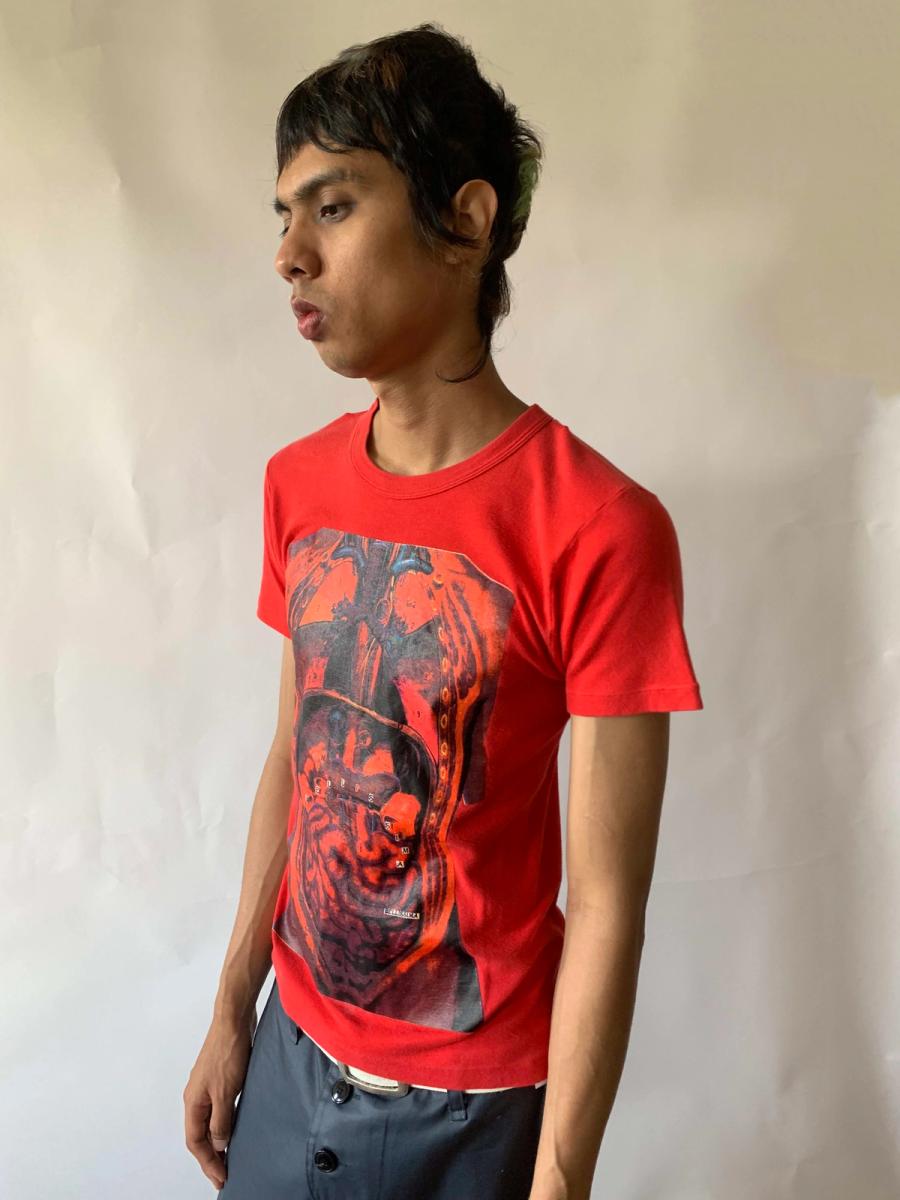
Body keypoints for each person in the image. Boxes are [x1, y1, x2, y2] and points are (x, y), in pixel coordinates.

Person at [183, 21, 703, 1200]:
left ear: (466, 222)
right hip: (289, 1059)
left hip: (472, 1120)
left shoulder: (601, 525)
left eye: (333, 206)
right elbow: (295, 755)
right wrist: (230, 1008)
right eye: (284, 216)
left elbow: (607, 903)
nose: (289, 257)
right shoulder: (297, 485)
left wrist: (560, 1179)